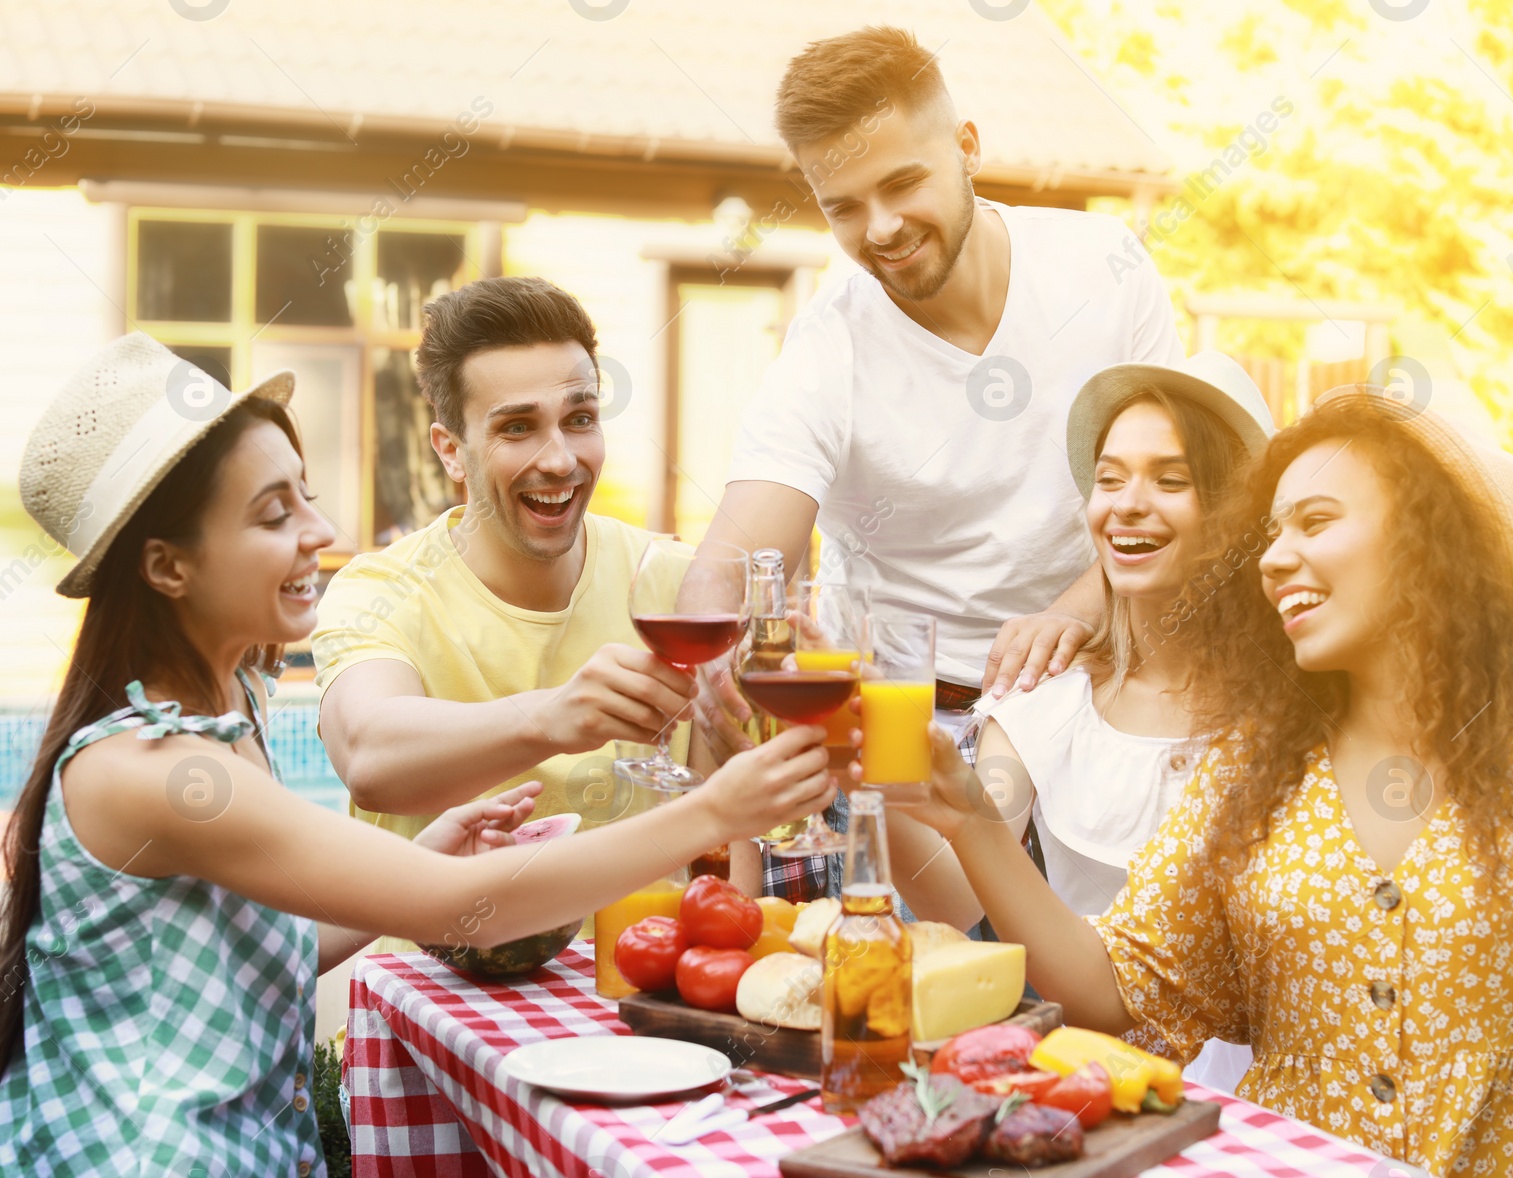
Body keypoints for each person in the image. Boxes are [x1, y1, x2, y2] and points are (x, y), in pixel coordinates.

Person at [0, 334, 832, 1175]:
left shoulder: (224, 714)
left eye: (306, 497)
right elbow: (461, 904)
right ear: (167, 566)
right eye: (273, 514)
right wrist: (719, 809)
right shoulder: (157, 773)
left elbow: (264, 947)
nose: (319, 531)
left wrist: (418, 853)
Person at [899, 385, 1513, 1174]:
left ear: (1425, 538)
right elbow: (1116, 992)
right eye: (1270, 532)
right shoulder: (1251, 771)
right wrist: (970, 818)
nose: (1273, 556)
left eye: (1317, 521)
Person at [694, 25, 1186, 768]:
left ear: (967, 147)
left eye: (902, 184)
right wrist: (706, 644)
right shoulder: (829, 347)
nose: (882, 229)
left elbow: (1191, 491)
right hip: (901, 715)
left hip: (1095, 685)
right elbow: (738, 551)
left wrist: (1072, 613)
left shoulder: (1105, 270)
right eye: (843, 208)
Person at [886, 352, 1270, 1092]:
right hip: (1095, 1080)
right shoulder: (1047, 698)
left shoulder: (1299, 712)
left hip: (1264, 1094)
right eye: (1111, 477)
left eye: (1171, 478)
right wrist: (860, 781)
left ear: (1236, 517)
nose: (1125, 503)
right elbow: (964, 893)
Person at [312, 276, 764, 901]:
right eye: (518, 428)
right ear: (450, 450)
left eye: (579, 419)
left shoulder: (679, 584)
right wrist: (554, 717)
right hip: (435, 989)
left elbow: (733, 840)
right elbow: (369, 760)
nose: (558, 460)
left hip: (633, 982)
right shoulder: (379, 589)